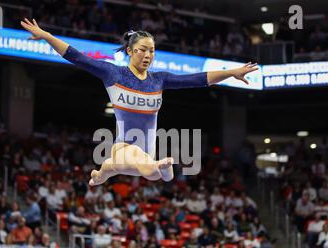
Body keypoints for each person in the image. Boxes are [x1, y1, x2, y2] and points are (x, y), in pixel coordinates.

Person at [21, 18, 258, 186]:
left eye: (152, 51)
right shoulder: (114, 74)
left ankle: (102, 174)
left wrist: (232, 72)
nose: (148, 56)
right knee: (143, 164)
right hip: (124, 146)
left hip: (147, 151)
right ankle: (154, 170)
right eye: (143, 50)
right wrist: (47, 36)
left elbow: (199, 79)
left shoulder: (159, 80)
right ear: (130, 51)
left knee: (121, 168)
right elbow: (77, 57)